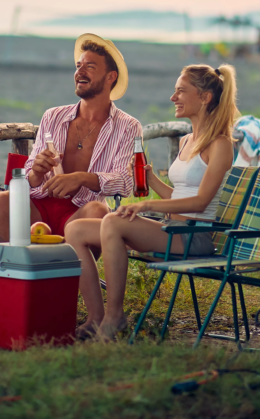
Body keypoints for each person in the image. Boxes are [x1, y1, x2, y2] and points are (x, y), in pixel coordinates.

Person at [66, 64, 239, 340]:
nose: (174, 98)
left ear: (205, 97)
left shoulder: (220, 144)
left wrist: (146, 205)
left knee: (112, 220)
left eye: (181, 91)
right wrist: (152, 180)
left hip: (193, 237)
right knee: (75, 231)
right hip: (170, 231)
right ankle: (96, 317)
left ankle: (115, 316)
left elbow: (200, 202)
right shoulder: (186, 141)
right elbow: (179, 197)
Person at [0, 34, 140, 243]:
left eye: (90, 66)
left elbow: (125, 183)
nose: (79, 72)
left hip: (81, 211)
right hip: (40, 205)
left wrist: (80, 178)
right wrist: (36, 171)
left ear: (110, 77)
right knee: (4, 200)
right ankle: (4, 272)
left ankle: (72, 276)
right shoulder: (52, 116)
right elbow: (29, 176)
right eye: (78, 65)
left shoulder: (128, 126)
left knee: (98, 210)